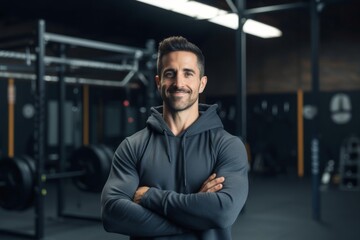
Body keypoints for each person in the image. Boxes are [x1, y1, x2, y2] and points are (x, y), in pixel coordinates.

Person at [101, 36, 249, 240]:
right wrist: (197, 218)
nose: (179, 83)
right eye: (170, 74)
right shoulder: (133, 146)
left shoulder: (228, 145)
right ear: (158, 81)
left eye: (188, 74)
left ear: (201, 83)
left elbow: (223, 211)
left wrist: (149, 197)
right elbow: (112, 213)